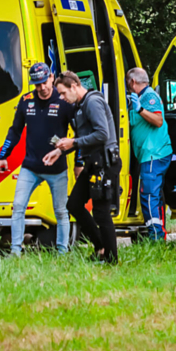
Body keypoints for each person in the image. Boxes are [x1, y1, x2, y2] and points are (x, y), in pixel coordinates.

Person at [0, 62, 77, 256]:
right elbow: (15, 131)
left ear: (51, 77)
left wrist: (79, 161)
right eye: (37, 84)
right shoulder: (26, 101)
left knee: (60, 211)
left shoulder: (65, 100)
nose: (41, 88)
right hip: (30, 166)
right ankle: (16, 251)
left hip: (57, 168)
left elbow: (78, 135)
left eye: (44, 82)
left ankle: (62, 252)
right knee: (18, 206)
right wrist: (3, 156)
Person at [47, 71, 121, 264]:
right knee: (74, 204)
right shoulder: (80, 105)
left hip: (104, 163)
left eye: (63, 93)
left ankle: (111, 259)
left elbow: (102, 134)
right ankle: (100, 247)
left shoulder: (93, 102)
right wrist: (60, 151)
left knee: (101, 212)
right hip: (92, 163)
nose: (62, 98)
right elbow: (82, 141)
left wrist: (74, 142)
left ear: (73, 86)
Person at [126, 67, 174, 241]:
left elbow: (158, 120)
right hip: (149, 154)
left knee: (148, 194)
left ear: (132, 82)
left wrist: (139, 109)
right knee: (154, 194)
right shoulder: (139, 97)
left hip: (154, 153)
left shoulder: (148, 96)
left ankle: (155, 236)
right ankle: (159, 233)